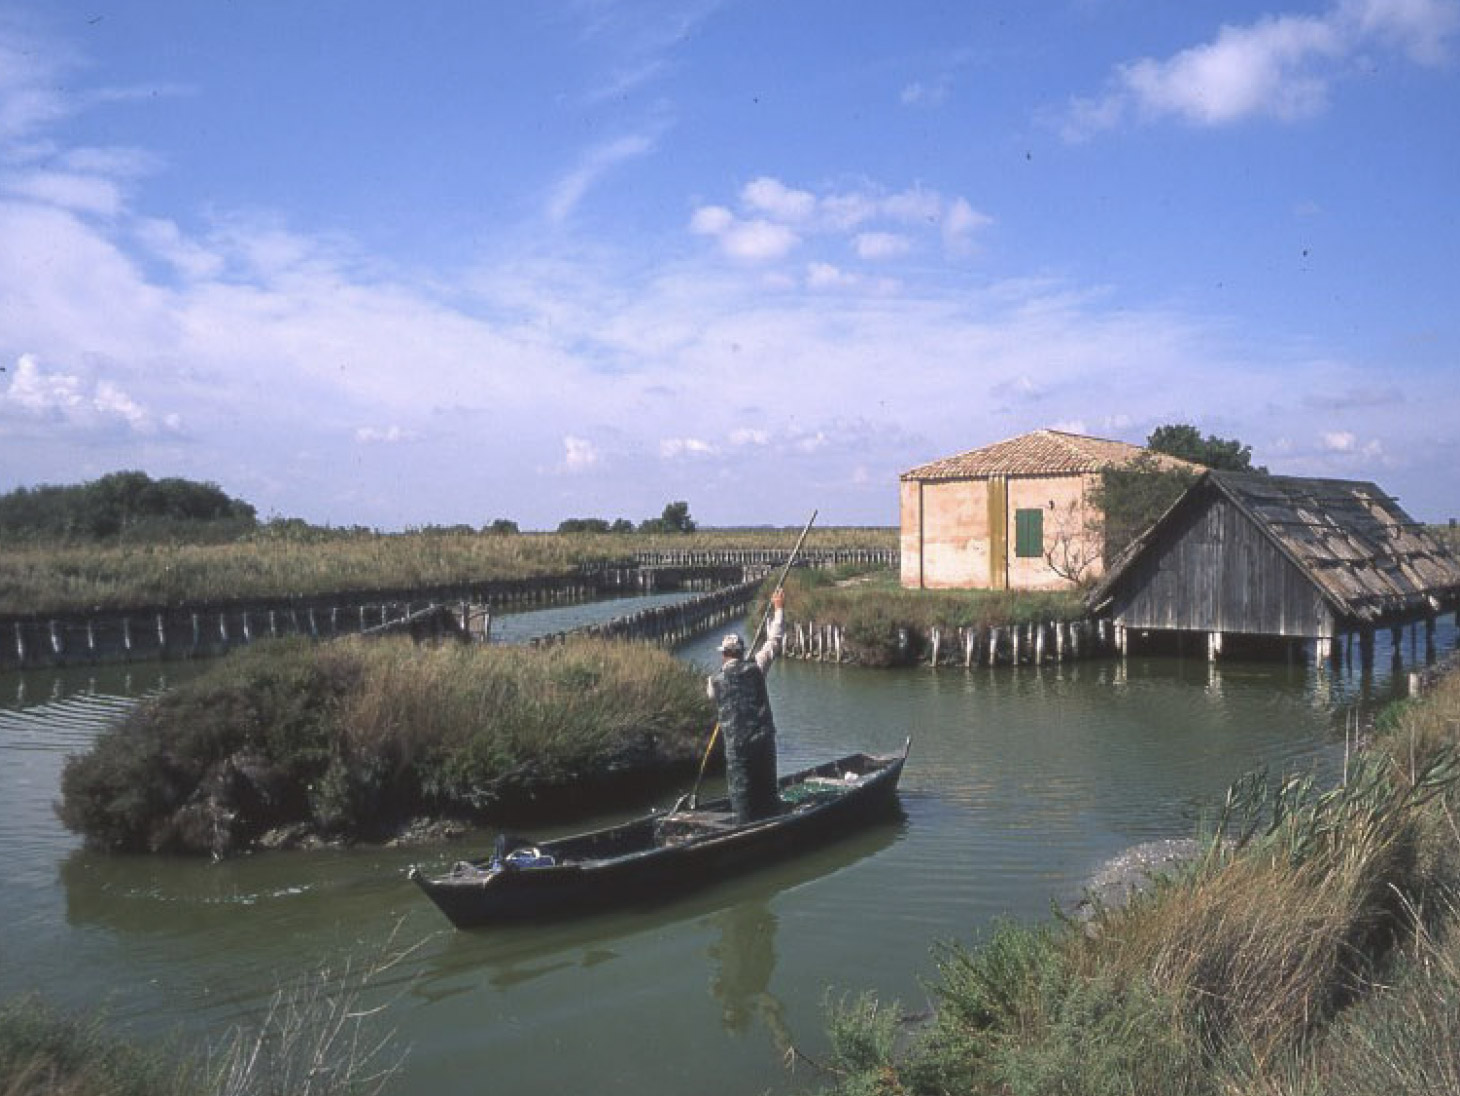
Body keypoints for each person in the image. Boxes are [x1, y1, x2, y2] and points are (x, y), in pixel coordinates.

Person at [707, 589, 786, 823]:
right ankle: (770, 819)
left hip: (737, 747)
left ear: (723, 655)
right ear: (741, 652)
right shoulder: (757, 667)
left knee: (741, 793)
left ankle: (743, 825)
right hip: (762, 741)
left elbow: (713, 696)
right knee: (767, 789)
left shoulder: (713, 682)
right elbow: (774, 641)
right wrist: (779, 609)